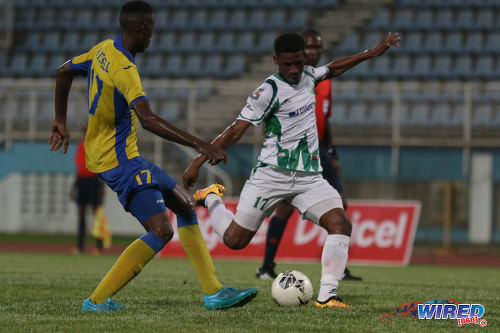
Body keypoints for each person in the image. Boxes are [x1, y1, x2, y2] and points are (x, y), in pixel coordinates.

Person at [49, 0, 256, 312]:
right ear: (144, 30)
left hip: (122, 156)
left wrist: (60, 121)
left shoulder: (103, 49)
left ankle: (213, 292)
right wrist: (200, 144)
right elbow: (148, 119)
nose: (152, 38)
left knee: (186, 205)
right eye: (152, 31)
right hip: (119, 161)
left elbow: (63, 71)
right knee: (161, 231)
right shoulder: (125, 69)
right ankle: (96, 300)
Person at [184, 32, 400, 308]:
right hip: (271, 176)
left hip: (309, 177)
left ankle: (327, 296)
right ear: (276, 61)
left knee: (341, 224)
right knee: (235, 241)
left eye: (298, 63)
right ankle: (212, 197)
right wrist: (197, 162)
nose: (294, 70)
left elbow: (333, 68)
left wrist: (371, 53)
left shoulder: (309, 75)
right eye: (287, 64)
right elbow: (237, 129)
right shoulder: (268, 91)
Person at [256, 28, 361, 281]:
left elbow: (326, 121)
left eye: (317, 47)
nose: (314, 51)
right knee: (284, 208)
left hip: (321, 151)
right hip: (294, 151)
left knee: (340, 205)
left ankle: (339, 268)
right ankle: (266, 266)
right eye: (309, 48)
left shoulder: (324, 81)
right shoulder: (288, 82)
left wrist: (333, 154)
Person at [71, 128, 107, 255]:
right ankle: (80, 247)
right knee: (81, 215)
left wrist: (102, 188)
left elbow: (101, 168)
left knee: (96, 215)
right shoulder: (80, 146)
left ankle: (99, 246)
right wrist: (73, 188)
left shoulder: (97, 146)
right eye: (85, 131)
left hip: (93, 181)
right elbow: (79, 168)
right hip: (82, 181)